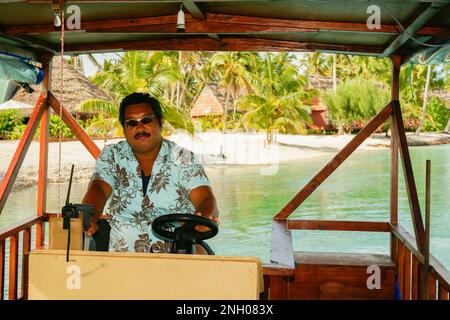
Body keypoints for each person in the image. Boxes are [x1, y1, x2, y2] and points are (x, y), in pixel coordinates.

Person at [82, 92, 219, 253]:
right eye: (131, 123)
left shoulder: (183, 157)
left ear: (160, 123)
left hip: (177, 255)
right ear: (124, 129)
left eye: (146, 120)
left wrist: (205, 216)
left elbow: (205, 197)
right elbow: (98, 189)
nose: (139, 128)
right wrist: (90, 215)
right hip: (124, 260)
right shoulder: (112, 155)